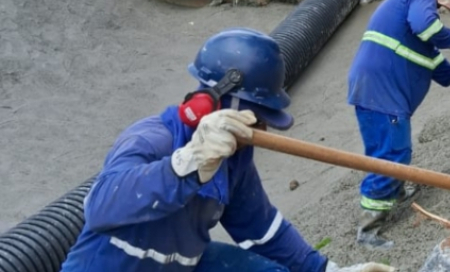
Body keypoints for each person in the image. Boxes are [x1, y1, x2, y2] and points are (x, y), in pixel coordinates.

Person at [60, 28, 391, 272]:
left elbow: (262, 231)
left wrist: (326, 271)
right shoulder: (153, 138)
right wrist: (186, 165)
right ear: (218, 100)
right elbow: (100, 206)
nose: (262, 129)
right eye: (259, 117)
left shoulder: (234, 160)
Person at [347, 0, 450, 244]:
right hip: (382, 90)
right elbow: (426, 27)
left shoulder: (406, 1)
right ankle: (369, 227)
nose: (442, 8)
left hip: (372, 87)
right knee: (393, 153)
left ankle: (395, 191)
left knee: (385, 149)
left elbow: (429, 57)